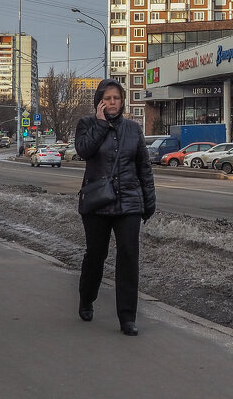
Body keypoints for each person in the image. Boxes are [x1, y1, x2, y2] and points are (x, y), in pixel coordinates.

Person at [74, 79, 155, 336]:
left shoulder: (133, 129)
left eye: (116, 98)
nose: (112, 102)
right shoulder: (87, 125)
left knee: (129, 258)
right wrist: (100, 124)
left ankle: (127, 318)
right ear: (99, 101)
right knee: (96, 256)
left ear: (122, 101)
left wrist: (149, 200)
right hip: (97, 203)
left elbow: (144, 165)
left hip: (129, 202)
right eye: (107, 98)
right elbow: (84, 151)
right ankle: (87, 299)